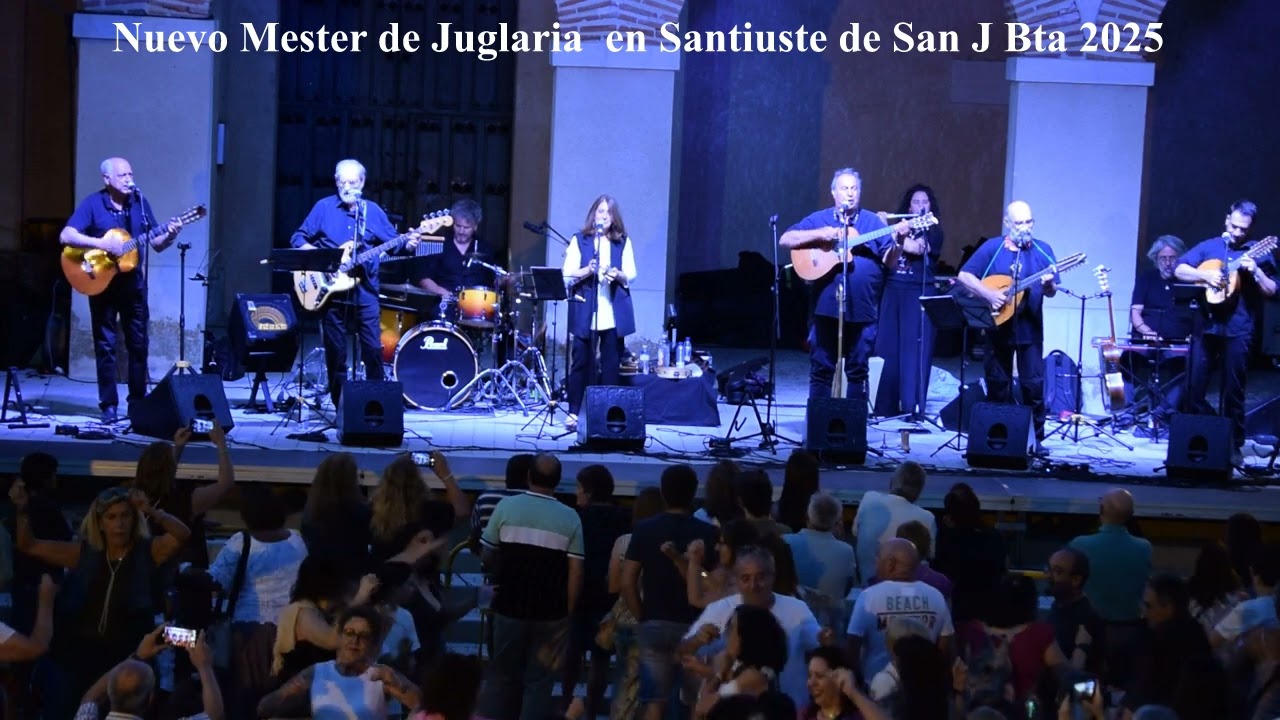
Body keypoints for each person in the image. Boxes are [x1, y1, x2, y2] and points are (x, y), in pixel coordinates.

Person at [60, 157, 183, 425]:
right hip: (101, 284)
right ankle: (109, 406)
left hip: (133, 286)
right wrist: (102, 244)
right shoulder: (94, 204)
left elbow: (158, 242)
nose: (129, 179)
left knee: (138, 346)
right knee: (105, 347)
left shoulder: (138, 203)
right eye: (123, 175)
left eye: (130, 174)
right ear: (107, 179)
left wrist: (172, 233)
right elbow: (66, 236)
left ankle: (137, 403)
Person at [290, 158, 421, 407]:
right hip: (330, 293)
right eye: (342, 181)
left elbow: (395, 243)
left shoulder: (372, 212)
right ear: (336, 181)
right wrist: (320, 260)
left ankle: (376, 405)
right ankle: (340, 406)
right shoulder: (323, 208)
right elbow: (298, 237)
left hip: (366, 292)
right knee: (336, 352)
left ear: (362, 182)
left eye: (352, 181)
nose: (347, 186)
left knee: (372, 349)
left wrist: (410, 242)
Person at [779, 169, 910, 400]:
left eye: (854, 188)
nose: (850, 193)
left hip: (864, 309)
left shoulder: (872, 222)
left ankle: (853, 431)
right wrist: (823, 234)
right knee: (821, 370)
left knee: (859, 372)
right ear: (833, 193)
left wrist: (899, 242)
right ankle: (818, 428)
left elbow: (889, 262)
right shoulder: (820, 219)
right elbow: (786, 239)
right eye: (844, 188)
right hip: (825, 309)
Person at [1173, 200, 1277, 464]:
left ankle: (1233, 445)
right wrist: (1206, 276)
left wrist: (1255, 273)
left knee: (1233, 389)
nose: (1237, 232)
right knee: (1194, 385)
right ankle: (1195, 441)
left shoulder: (1257, 251)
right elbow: (1179, 269)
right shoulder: (1210, 246)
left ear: (1251, 229)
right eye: (1234, 226)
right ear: (1226, 219)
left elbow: (1273, 291)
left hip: (1239, 328)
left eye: (1243, 229)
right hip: (1206, 327)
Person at [956, 200, 1060, 454]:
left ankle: (1036, 440)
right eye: (1019, 223)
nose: (1024, 228)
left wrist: (1048, 286)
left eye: (1028, 222)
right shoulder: (992, 248)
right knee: (997, 384)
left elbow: (1052, 290)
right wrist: (989, 295)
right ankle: (998, 436)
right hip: (997, 328)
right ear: (1007, 223)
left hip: (1030, 332)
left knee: (1033, 386)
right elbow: (964, 275)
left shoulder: (1042, 251)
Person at [561, 194, 637, 431]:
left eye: (607, 212)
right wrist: (587, 270)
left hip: (612, 313)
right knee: (581, 362)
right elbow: (567, 275)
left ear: (614, 218)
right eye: (599, 211)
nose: (603, 216)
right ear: (593, 214)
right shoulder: (580, 240)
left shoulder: (622, 241)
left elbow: (631, 274)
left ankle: (607, 412)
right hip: (586, 309)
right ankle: (574, 412)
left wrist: (617, 273)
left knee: (610, 364)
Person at [875, 184, 944, 420]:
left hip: (918, 293)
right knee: (886, 349)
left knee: (914, 352)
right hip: (892, 291)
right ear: (908, 206)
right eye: (916, 201)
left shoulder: (932, 229)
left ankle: (912, 407)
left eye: (925, 201)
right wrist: (883, 227)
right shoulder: (898, 226)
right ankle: (884, 406)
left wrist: (887, 230)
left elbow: (916, 248)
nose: (921, 205)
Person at [1130, 235, 1195, 439]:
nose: (1168, 263)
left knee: (1189, 369)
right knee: (1123, 363)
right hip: (1147, 339)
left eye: (1173, 258)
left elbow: (1196, 314)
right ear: (1155, 258)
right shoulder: (1146, 279)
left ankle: (1162, 414)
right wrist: (1147, 332)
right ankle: (1127, 413)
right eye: (1163, 258)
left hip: (1177, 343)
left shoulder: (1189, 281)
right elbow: (1135, 313)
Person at [413, 198, 502, 299]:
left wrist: (505, 280)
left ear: (475, 227)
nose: (461, 231)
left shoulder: (485, 248)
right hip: (443, 302)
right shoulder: (439, 244)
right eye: (458, 226)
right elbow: (424, 278)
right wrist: (441, 292)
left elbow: (495, 280)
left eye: (466, 227)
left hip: (474, 306)